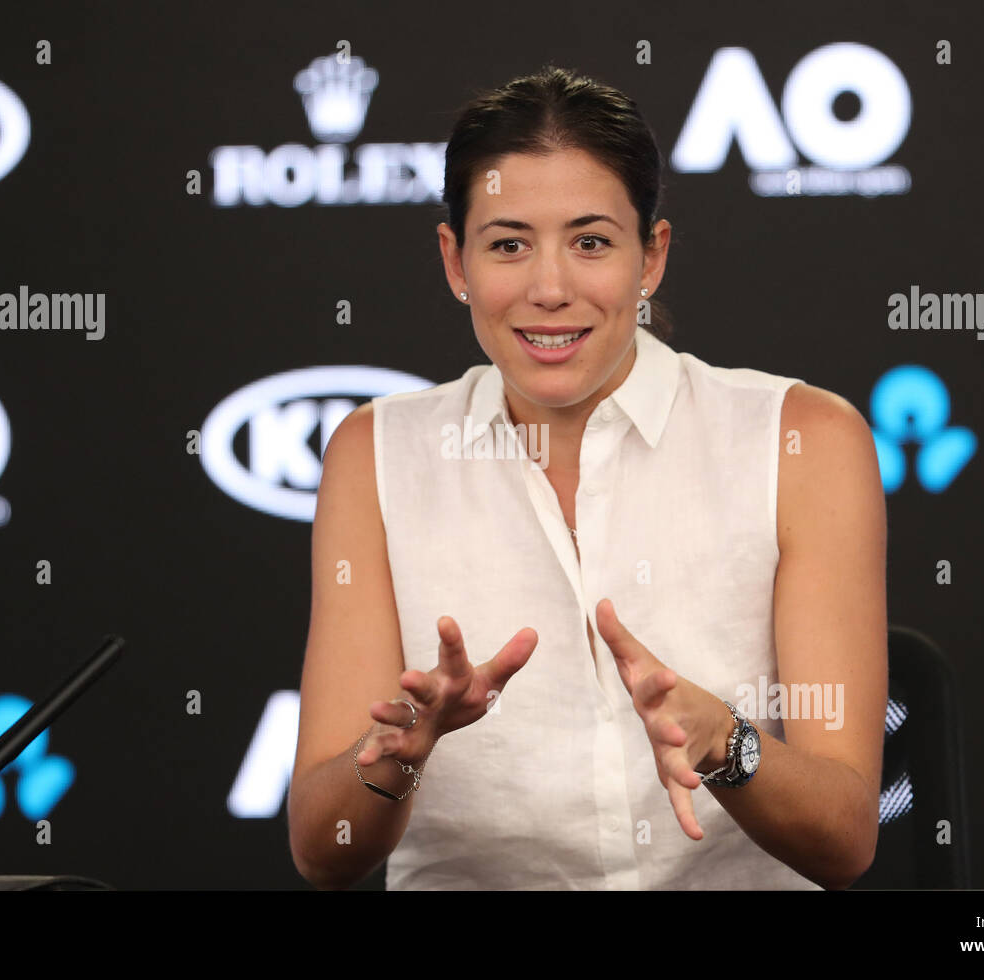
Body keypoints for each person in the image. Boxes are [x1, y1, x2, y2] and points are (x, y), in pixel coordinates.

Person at [288, 65, 887, 890]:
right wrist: (397, 756)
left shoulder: (804, 439)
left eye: (591, 241)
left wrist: (725, 742)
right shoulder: (374, 453)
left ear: (652, 257)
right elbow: (324, 851)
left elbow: (847, 837)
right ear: (455, 262)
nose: (549, 288)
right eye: (507, 244)